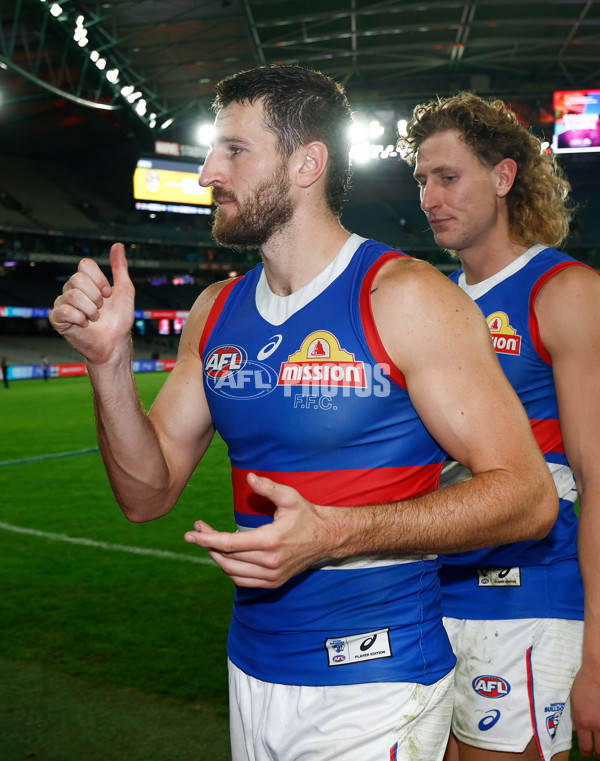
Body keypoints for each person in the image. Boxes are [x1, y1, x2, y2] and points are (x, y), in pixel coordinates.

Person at [49, 66, 557, 761]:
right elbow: (146, 492)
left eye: (232, 150)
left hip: (375, 674)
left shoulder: (403, 296)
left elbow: (528, 498)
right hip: (252, 671)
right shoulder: (216, 312)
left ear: (306, 163)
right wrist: (106, 363)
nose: (206, 174)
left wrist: (333, 534)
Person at [398, 91, 600, 761]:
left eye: (447, 176)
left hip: (531, 601)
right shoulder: (433, 301)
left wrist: (597, 654)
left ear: (505, 176)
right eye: (422, 178)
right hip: (433, 598)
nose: (429, 196)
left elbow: (597, 481)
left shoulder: (565, 291)